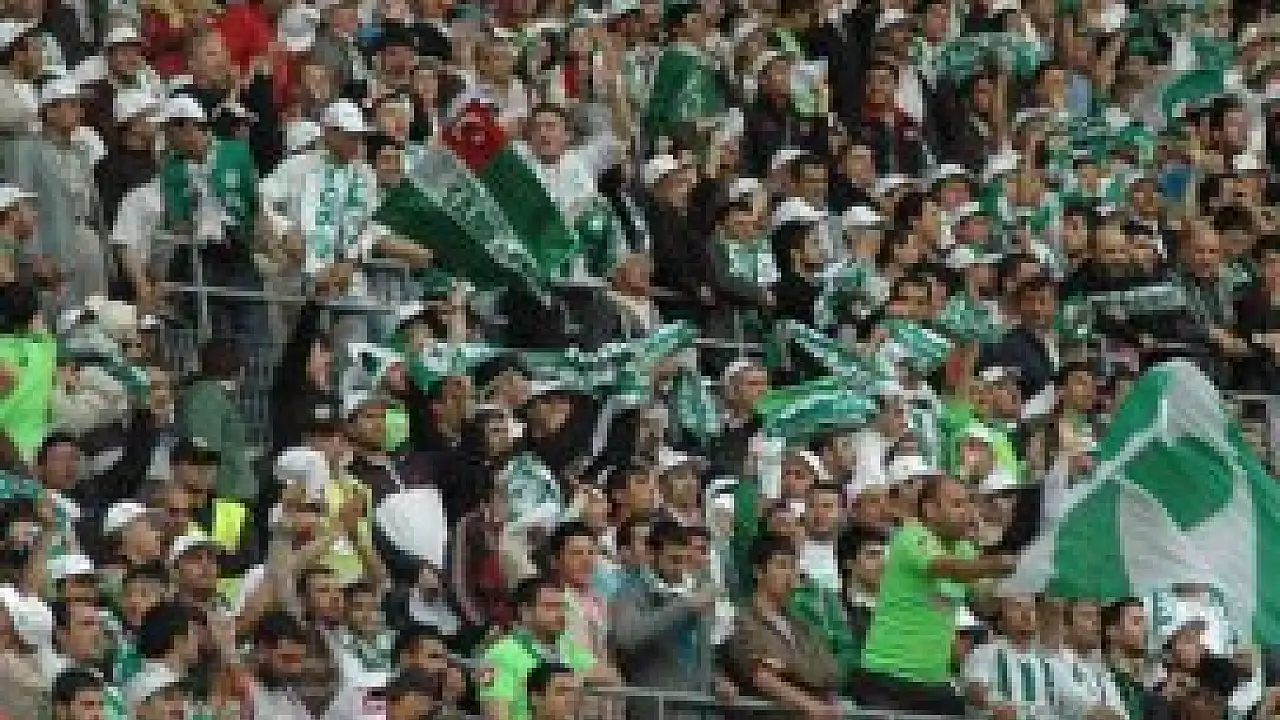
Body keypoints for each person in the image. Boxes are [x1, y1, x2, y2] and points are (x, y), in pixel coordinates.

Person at [854, 475, 1016, 715]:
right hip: (887, 679)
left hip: (934, 683)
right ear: (930, 510)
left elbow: (987, 604)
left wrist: (1011, 577)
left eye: (969, 503)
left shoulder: (963, 549)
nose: (968, 512)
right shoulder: (912, 536)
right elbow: (948, 568)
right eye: (958, 504)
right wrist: (995, 563)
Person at [722, 533, 840, 719]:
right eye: (782, 565)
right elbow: (761, 675)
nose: (790, 574)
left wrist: (787, 667)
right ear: (759, 572)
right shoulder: (741, 619)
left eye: (793, 567)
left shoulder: (802, 625)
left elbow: (828, 672)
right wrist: (809, 704)